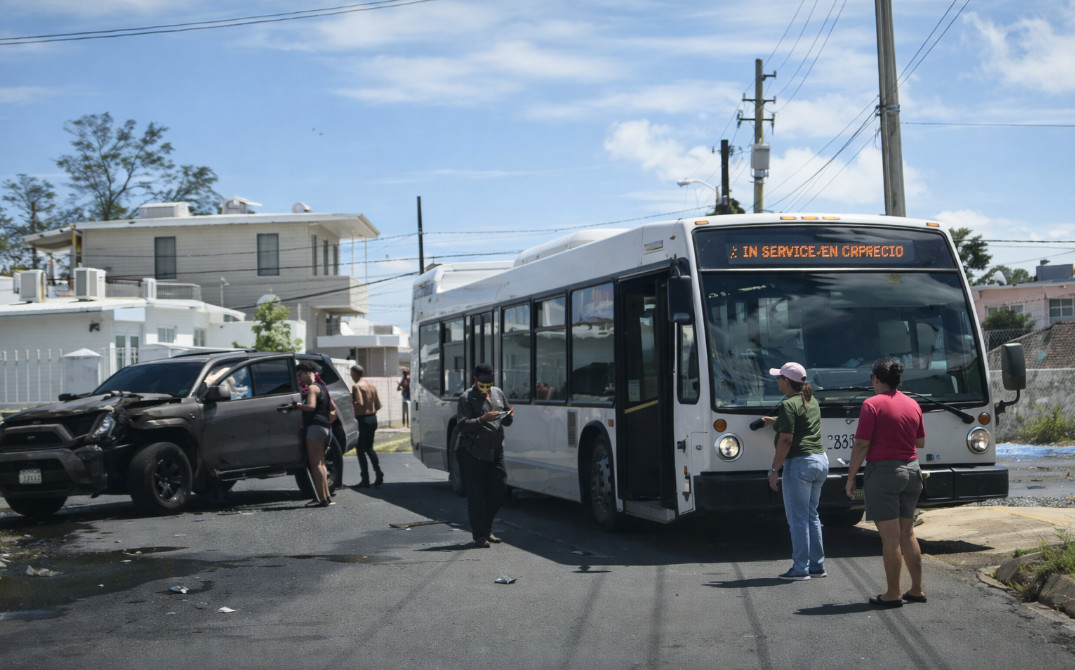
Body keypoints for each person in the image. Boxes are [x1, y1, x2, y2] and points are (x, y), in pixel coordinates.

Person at [845, 357, 927, 608]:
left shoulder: (871, 405)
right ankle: (916, 589)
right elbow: (920, 442)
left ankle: (893, 594)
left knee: (890, 539)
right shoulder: (913, 404)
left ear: (876, 379)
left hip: (884, 474)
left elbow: (861, 444)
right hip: (912, 471)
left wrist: (851, 478)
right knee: (907, 534)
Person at [761, 362, 828, 581]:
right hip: (820, 460)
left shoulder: (788, 405)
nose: (777, 380)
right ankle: (817, 566)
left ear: (787, 382)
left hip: (800, 463)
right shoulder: (812, 401)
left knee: (798, 518)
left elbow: (787, 439)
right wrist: (778, 422)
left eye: (779, 377)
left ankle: (800, 568)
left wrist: (774, 469)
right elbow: (808, 423)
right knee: (812, 515)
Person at [456, 363, 513, 548]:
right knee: (476, 496)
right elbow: (463, 425)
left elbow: (507, 421)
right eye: (483, 382)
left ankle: (486, 527)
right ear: (475, 380)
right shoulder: (466, 397)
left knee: (499, 492)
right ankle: (480, 535)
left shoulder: (498, 393)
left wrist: (508, 415)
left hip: (495, 451)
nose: (487, 386)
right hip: (472, 453)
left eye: (490, 382)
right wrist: (482, 419)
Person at [295, 362, 335, 507]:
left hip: (314, 428)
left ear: (308, 372)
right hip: (325, 427)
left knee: (315, 464)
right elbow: (333, 407)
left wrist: (298, 406)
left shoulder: (312, 388)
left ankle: (321, 499)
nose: (299, 379)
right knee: (321, 463)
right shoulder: (322, 387)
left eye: (300, 375)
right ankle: (327, 496)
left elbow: (311, 407)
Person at [350, 364, 384, 488]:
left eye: (351, 373)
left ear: (355, 373)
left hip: (362, 418)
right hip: (373, 418)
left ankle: (365, 479)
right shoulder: (371, 386)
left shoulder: (356, 386)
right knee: (369, 447)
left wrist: (351, 399)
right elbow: (379, 405)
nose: (350, 375)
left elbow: (360, 402)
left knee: (360, 450)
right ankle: (378, 473)